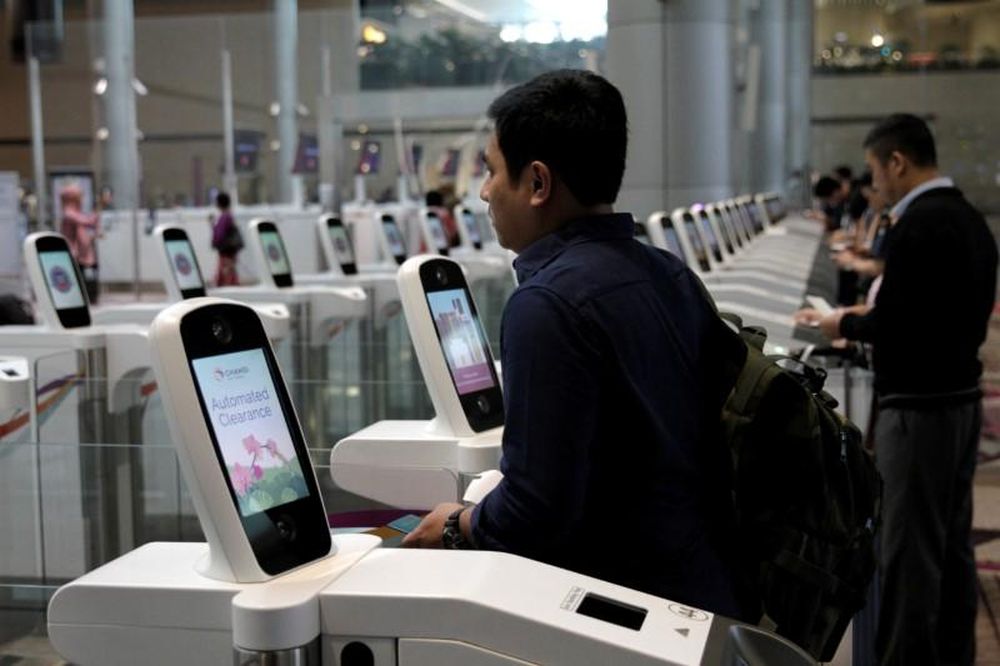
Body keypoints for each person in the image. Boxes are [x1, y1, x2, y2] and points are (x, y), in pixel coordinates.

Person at [402, 69, 743, 618]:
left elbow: (536, 513)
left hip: (624, 607)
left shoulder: (548, 305)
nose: (485, 191)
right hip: (703, 586)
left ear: (537, 183)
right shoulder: (667, 272)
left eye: (492, 172)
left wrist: (457, 522)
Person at [814, 113, 997, 665]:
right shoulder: (967, 216)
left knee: (908, 554)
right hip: (960, 402)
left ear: (897, 162)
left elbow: (898, 321)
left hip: (919, 409)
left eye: (876, 171)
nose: (876, 185)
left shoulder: (920, 224)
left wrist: (840, 325)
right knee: (949, 545)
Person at [59, 184, 101, 303]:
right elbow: (89, 222)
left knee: (86, 278)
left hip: (82, 253)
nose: (81, 200)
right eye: (79, 197)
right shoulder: (69, 213)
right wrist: (97, 211)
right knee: (79, 279)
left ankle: (89, 298)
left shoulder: (76, 212)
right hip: (74, 253)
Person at [210, 191, 241, 286]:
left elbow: (219, 234)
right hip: (231, 250)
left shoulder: (224, 217)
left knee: (225, 272)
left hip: (225, 250)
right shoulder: (229, 215)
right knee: (230, 270)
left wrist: (212, 225)